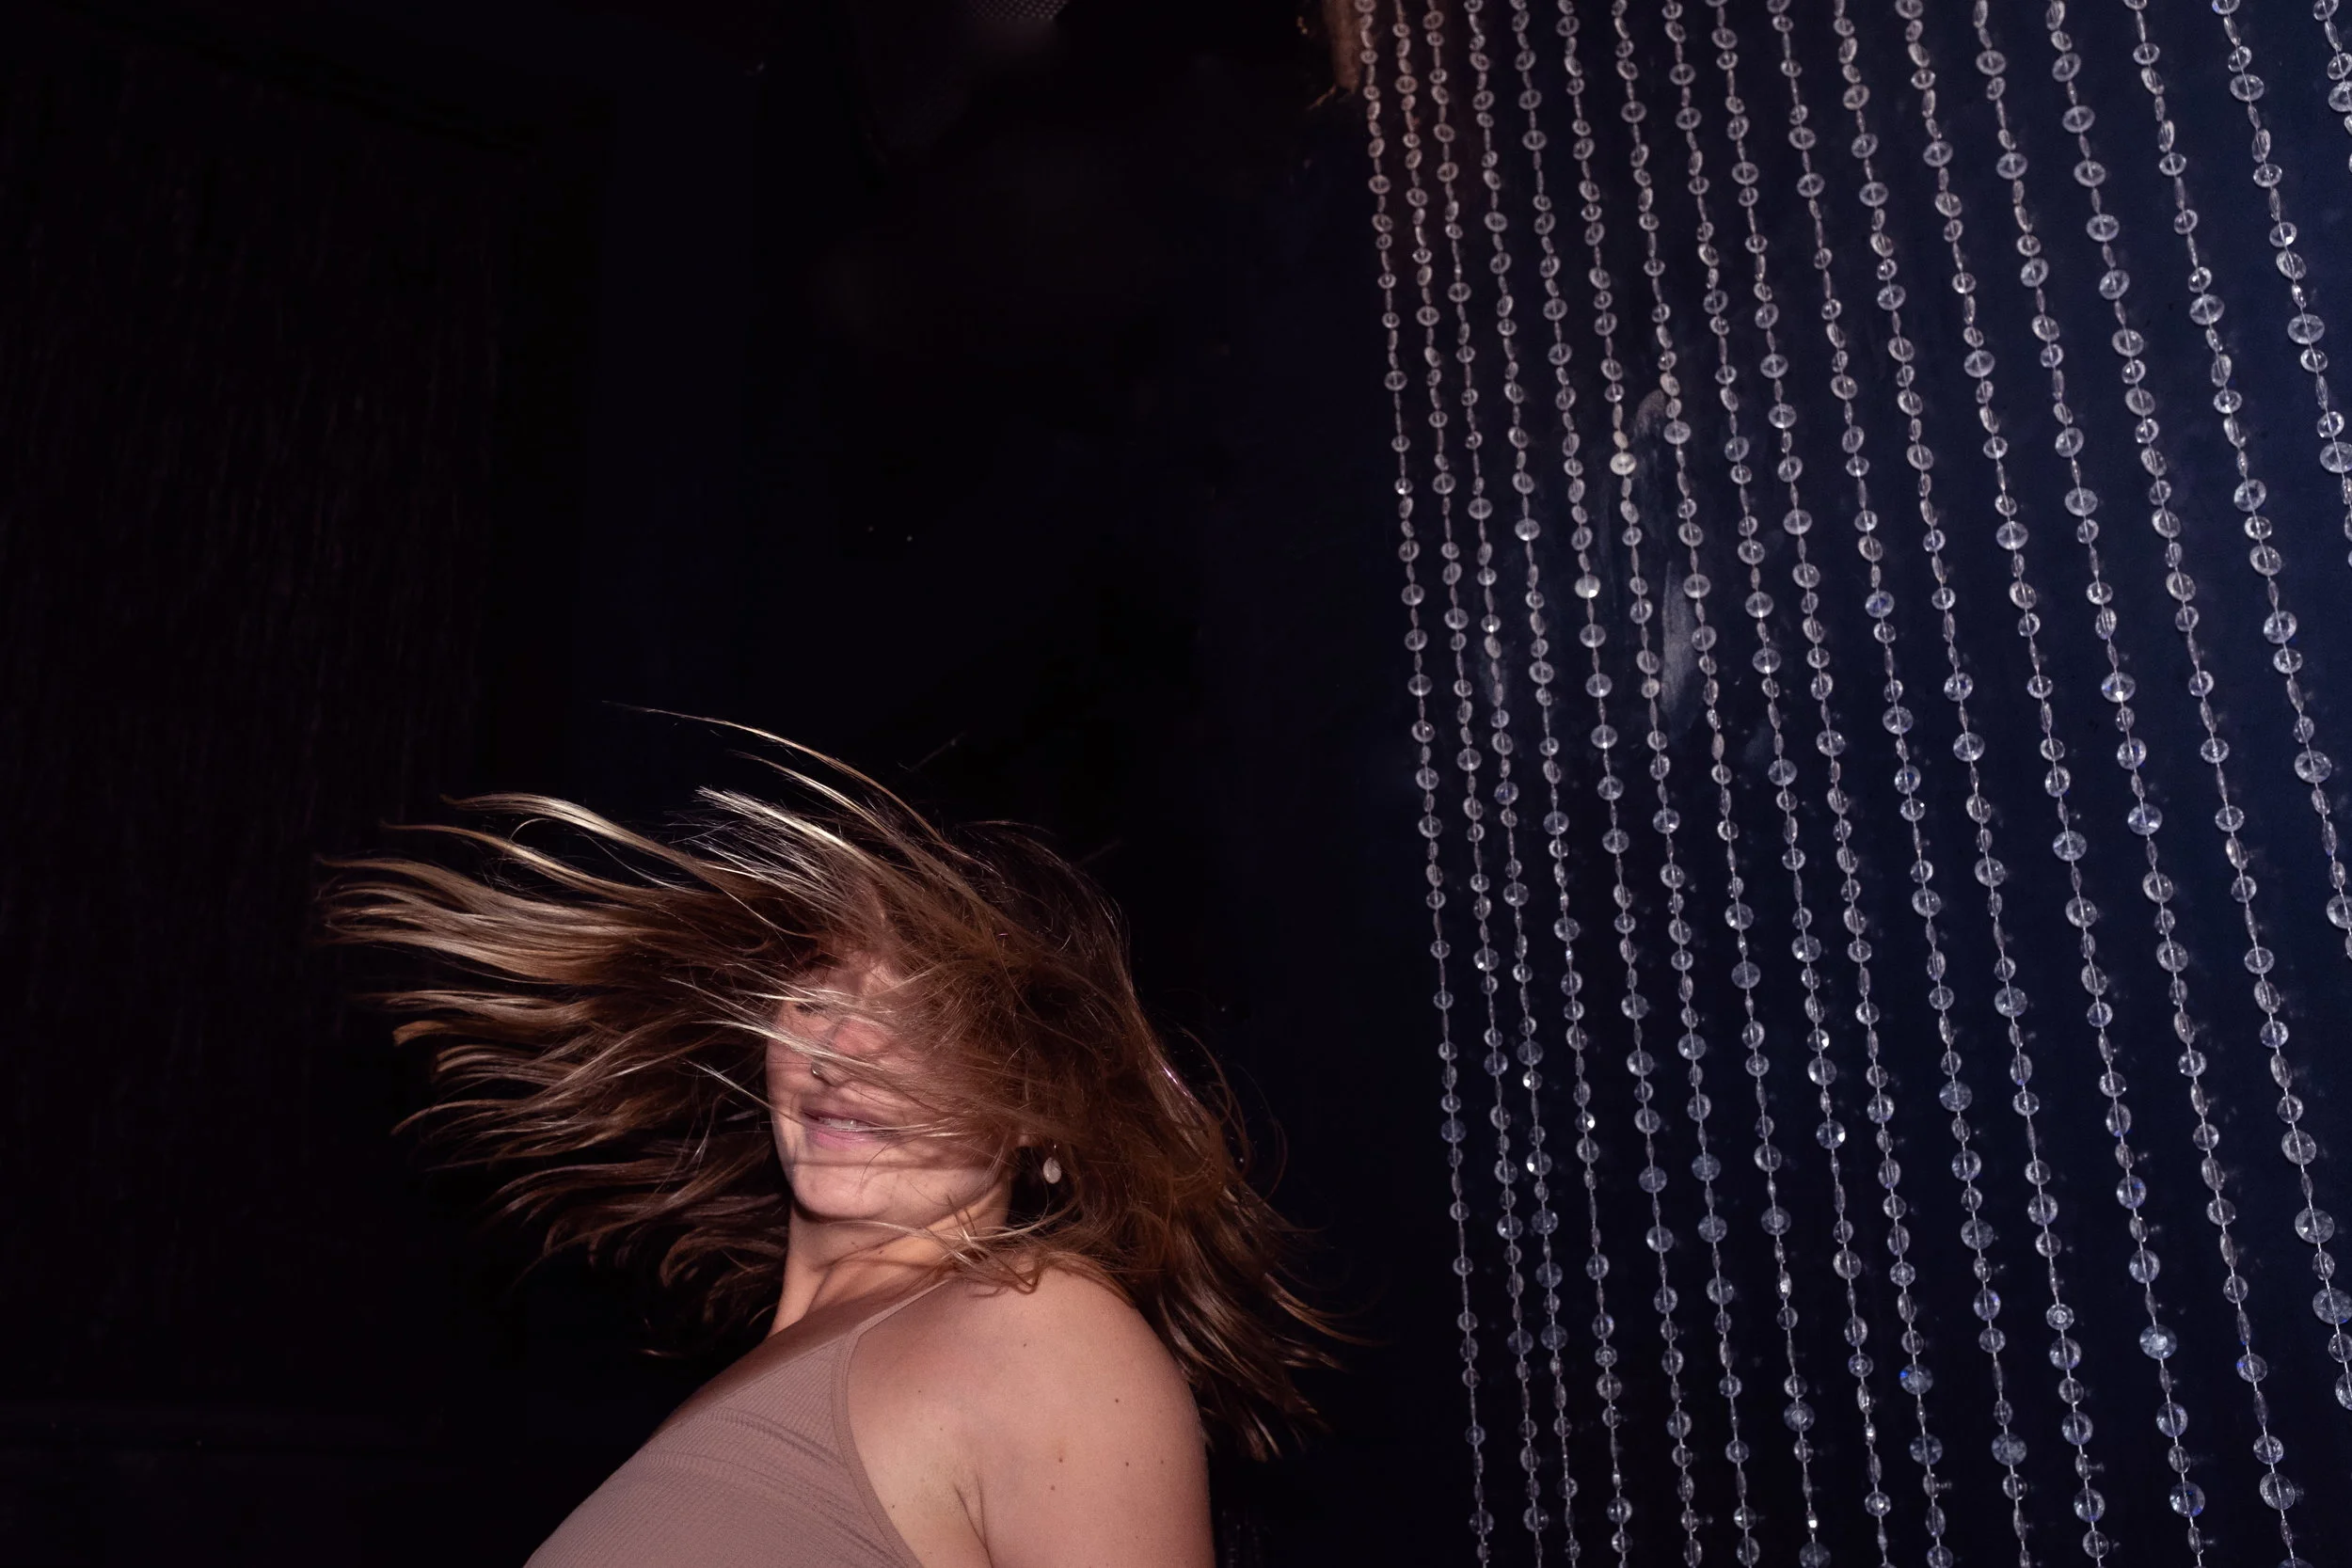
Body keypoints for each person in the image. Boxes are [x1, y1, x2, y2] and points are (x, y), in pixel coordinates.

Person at [324, 746, 1331, 1568]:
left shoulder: (1038, 1330)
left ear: (1040, 1112)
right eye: (816, 996)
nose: (843, 1050)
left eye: (928, 1022)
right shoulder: (762, 1381)